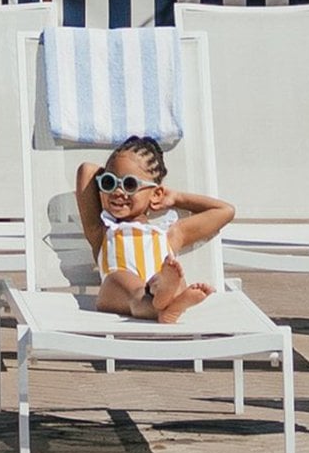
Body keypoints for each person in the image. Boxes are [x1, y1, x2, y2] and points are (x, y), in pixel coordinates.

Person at [76, 135, 234, 323]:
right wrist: (114, 173)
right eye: (109, 183)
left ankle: (168, 301)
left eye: (130, 184)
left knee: (172, 277)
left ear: (157, 194)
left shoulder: (169, 234)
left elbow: (225, 211)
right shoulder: (101, 230)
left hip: (159, 282)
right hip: (119, 293)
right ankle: (166, 306)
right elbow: (86, 170)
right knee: (126, 284)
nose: (118, 192)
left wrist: (176, 197)